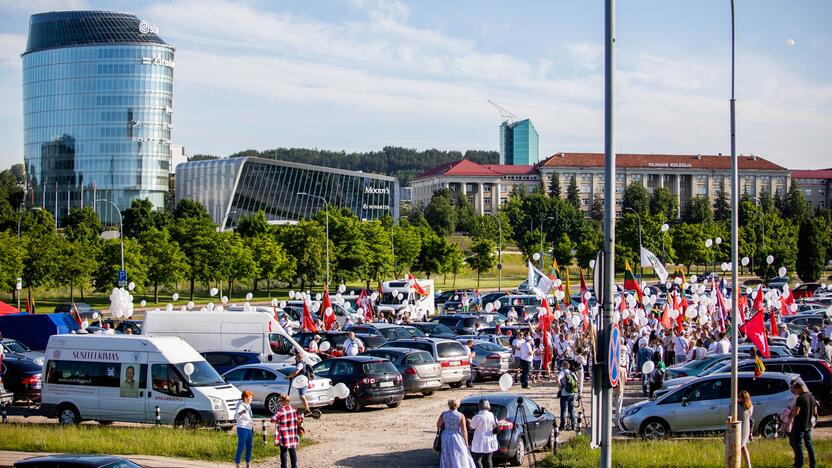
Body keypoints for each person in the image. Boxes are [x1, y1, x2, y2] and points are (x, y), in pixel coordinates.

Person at [436, 399, 476, 468]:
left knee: (447, 454)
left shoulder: (444, 414)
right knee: (459, 453)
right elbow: (464, 429)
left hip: (446, 435)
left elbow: (438, 425)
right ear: (457, 405)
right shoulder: (460, 415)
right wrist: (466, 441)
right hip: (456, 436)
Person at [788, 379, 817, 468]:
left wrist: (790, 414)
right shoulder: (812, 397)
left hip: (799, 425)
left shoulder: (801, 397)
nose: (794, 391)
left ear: (798, 388)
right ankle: (813, 464)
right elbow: (814, 412)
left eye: (795, 389)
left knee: (798, 445)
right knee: (809, 445)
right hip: (808, 424)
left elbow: (796, 412)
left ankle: (799, 464)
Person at [271, 394, 304, 468]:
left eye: (280, 401)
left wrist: (274, 419)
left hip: (284, 435)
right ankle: (294, 466)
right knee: (292, 452)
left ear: (283, 402)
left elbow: (273, 419)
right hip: (292, 434)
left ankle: (284, 466)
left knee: (283, 452)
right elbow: (299, 419)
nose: (279, 403)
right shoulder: (294, 410)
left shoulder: (281, 411)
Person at [469, 399, 499, 468]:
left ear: (479, 406)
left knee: (477, 460)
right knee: (488, 459)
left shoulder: (476, 417)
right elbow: (495, 425)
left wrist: (469, 421)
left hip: (479, 441)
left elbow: (471, 427)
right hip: (490, 439)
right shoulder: (492, 415)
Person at [234, 390, 254, 468]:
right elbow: (236, 417)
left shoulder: (248, 405)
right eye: (250, 398)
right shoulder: (240, 405)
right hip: (242, 428)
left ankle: (248, 463)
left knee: (249, 446)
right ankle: (237, 464)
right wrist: (241, 412)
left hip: (249, 427)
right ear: (245, 398)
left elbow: (249, 415)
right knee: (241, 446)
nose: (251, 399)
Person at [558, 361, 577, 430]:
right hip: (572, 394)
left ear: (563, 366)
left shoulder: (562, 372)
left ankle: (562, 426)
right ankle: (573, 425)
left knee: (563, 410)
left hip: (564, 394)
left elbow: (557, 379)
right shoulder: (572, 372)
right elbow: (577, 381)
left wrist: (560, 386)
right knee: (571, 410)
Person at [738, 390, 753, 468]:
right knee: (743, 447)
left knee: (739, 447)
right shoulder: (750, 406)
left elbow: (731, 412)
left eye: (739, 397)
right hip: (746, 429)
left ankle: (737, 464)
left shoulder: (739, 407)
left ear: (743, 398)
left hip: (739, 430)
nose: (738, 398)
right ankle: (749, 465)